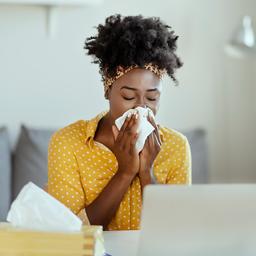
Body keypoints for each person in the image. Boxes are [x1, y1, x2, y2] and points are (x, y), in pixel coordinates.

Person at [48, 14, 191, 231]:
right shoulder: (68, 143)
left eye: (152, 98)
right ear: (108, 91)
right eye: (128, 97)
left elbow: (176, 233)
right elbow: (71, 234)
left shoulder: (176, 146)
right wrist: (124, 173)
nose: (141, 108)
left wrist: (146, 173)